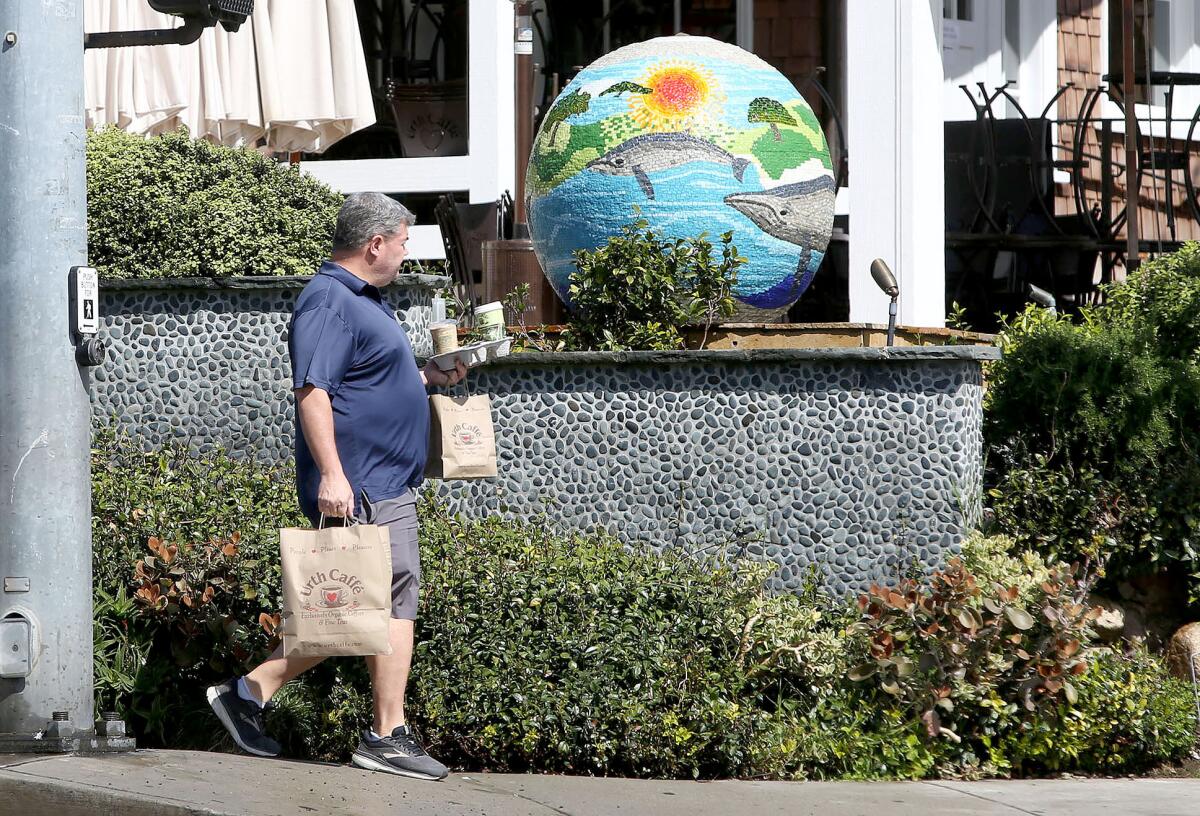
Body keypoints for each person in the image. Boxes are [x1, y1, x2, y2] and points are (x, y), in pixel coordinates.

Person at [206, 192, 467, 781]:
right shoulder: (328, 301)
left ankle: (253, 696)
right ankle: (380, 732)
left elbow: (367, 380)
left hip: (382, 482)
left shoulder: (362, 302)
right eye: (402, 243)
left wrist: (430, 375)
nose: (405, 255)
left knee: (372, 602)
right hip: (362, 484)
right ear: (375, 243)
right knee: (363, 604)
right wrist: (331, 475)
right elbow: (312, 391)